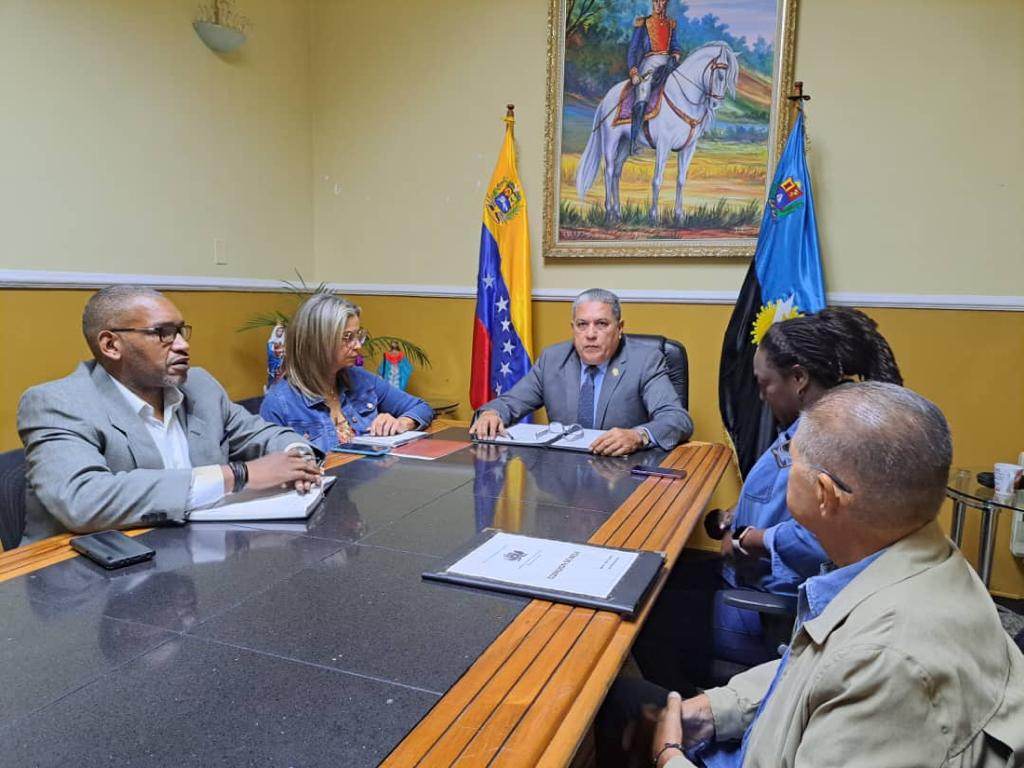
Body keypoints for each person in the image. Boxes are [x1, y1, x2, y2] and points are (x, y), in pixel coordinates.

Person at [640, 382, 1024, 768]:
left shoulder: (885, 661)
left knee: (624, 709)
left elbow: (850, 668)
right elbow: (814, 668)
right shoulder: (921, 558)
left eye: (791, 462)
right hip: (771, 739)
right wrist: (715, 709)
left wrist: (668, 756)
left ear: (824, 494)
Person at [633, 307, 904, 689]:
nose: (761, 396)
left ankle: (682, 710)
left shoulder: (830, 441)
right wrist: (737, 515)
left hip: (774, 609)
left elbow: (825, 538)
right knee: (655, 581)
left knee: (644, 616)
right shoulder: (812, 425)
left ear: (799, 378)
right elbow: (789, 501)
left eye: (765, 384)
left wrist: (754, 539)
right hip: (747, 575)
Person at [18, 286, 322, 541]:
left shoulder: (199, 385)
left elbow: (263, 433)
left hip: (191, 554)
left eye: (180, 331)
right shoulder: (58, 403)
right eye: (163, 333)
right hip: (81, 576)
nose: (182, 345)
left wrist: (298, 458)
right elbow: (83, 500)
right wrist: (238, 475)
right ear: (111, 345)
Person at [469, 288, 693, 456]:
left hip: (623, 475)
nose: (590, 334)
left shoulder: (644, 361)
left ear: (619, 328)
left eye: (601, 324)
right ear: (573, 328)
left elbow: (677, 419)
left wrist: (638, 435)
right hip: (564, 478)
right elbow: (509, 403)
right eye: (582, 324)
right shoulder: (553, 360)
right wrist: (492, 414)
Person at [259, 293, 433, 453]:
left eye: (358, 335)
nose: (358, 345)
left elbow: (421, 407)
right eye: (348, 337)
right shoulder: (278, 404)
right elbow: (269, 468)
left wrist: (401, 423)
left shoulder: (362, 380)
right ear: (318, 342)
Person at [627, 0, 683, 155]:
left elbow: (675, 46)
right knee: (643, 94)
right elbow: (633, 50)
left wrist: (675, 55)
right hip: (650, 63)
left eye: (662, 1)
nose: (659, 5)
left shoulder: (671, 24)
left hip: (668, 62)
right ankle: (633, 140)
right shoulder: (643, 23)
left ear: (666, 3)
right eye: (656, 1)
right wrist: (634, 72)